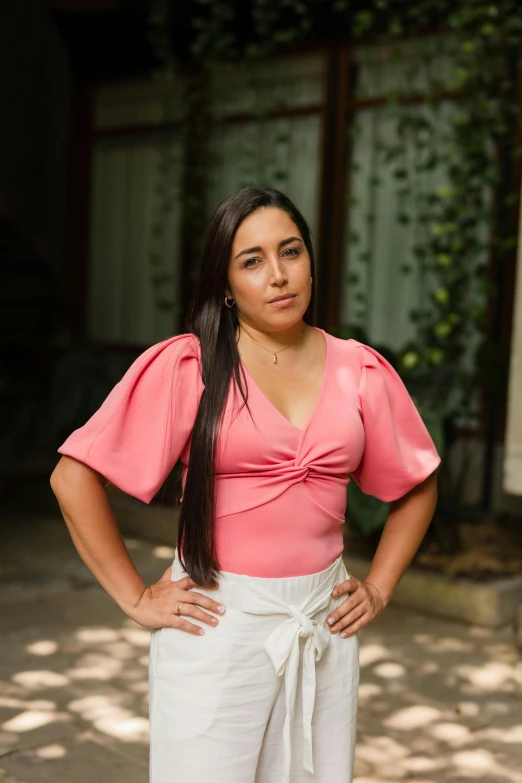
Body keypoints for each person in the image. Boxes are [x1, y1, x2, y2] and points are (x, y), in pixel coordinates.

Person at [50, 187, 441, 783]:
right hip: (215, 624)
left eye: (291, 252)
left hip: (320, 624)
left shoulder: (359, 369)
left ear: (311, 259)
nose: (279, 276)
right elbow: (72, 475)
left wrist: (381, 588)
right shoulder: (190, 366)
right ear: (226, 285)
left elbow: (417, 483)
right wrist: (134, 596)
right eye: (252, 260)